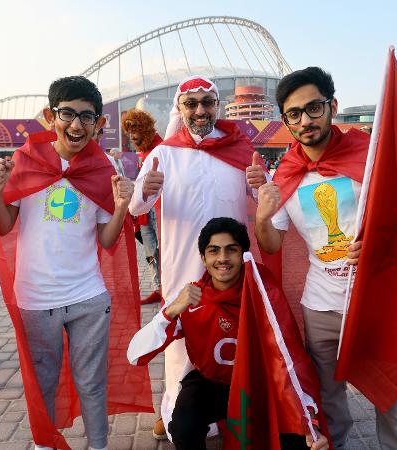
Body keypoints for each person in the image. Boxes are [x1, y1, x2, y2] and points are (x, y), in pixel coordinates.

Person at [255, 67, 397, 450]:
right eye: (293, 114)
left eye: (313, 108)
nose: (305, 120)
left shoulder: (370, 157)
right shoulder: (285, 175)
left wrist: (382, 243)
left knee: (393, 401)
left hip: (379, 304)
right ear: (285, 121)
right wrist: (262, 217)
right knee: (329, 401)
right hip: (321, 307)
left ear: (332, 106)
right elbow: (272, 244)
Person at [0, 76, 138, 450]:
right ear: (48, 116)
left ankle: (99, 446)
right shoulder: (27, 162)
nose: (76, 125)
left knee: (91, 380)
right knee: (43, 380)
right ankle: (44, 445)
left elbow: (107, 241)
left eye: (86, 117)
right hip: (37, 299)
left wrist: (121, 207)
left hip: (88, 296)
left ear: (98, 124)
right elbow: (5, 224)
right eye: (67, 113)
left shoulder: (102, 169)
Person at [128, 75, 268, 439]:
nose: (200, 110)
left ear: (217, 106)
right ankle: (174, 409)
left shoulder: (240, 151)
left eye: (207, 102)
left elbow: (264, 204)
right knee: (180, 339)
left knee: (229, 336)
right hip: (182, 267)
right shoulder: (164, 154)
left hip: (229, 268)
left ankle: (227, 409)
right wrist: (146, 190)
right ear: (180, 108)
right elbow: (135, 206)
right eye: (192, 104)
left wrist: (261, 184)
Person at [127, 217, 329, 450]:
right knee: (183, 427)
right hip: (211, 383)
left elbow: (291, 358)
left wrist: (309, 420)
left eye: (231, 250)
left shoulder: (263, 291)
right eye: (214, 251)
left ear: (243, 255)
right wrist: (171, 311)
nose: (222, 258)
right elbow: (135, 355)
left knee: (299, 440)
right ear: (203, 257)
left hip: (259, 383)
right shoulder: (191, 298)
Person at [122, 108, 163, 304]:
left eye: (135, 130)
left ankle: (166, 287)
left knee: (162, 249)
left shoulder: (161, 149)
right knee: (150, 250)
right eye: (129, 132)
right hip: (144, 210)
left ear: (146, 129)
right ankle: (158, 287)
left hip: (159, 209)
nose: (132, 136)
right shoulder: (143, 152)